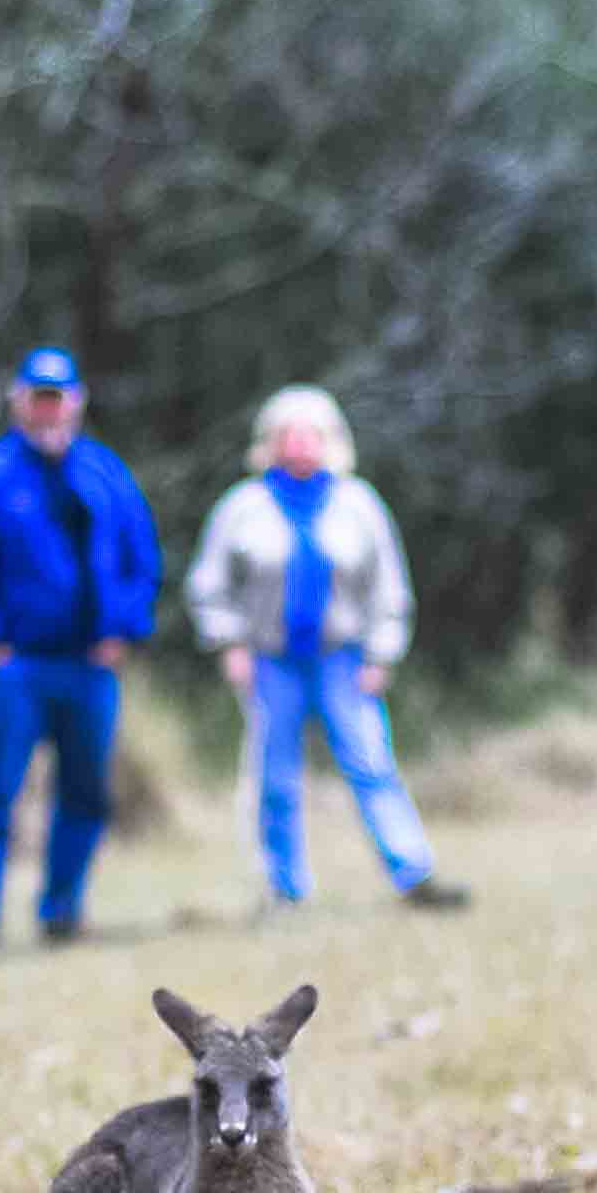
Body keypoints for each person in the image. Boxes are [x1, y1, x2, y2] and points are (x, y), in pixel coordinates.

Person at [184, 384, 467, 915]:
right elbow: (209, 585)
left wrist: (382, 651)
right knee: (275, 776)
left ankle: (413, 873)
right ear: (268, 442)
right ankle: (285, 888)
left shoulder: (357, 504)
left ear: (332, 440)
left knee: (370, 765)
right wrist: (229, 643)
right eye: (288, 433)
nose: (300, 443)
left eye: (312, 432)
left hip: (343, 657)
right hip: (272, 660)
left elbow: (389, 585)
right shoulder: (244, 508)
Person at [0, 346, 161, 952]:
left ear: (77, 404)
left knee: (85, 792)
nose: (50, 411)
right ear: (19, 404)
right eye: (39, 398)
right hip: (18, 667)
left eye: (60, 399)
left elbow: (142, 559)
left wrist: (124, 628)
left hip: (91, 666)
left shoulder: (105, 474)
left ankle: (63, 910)